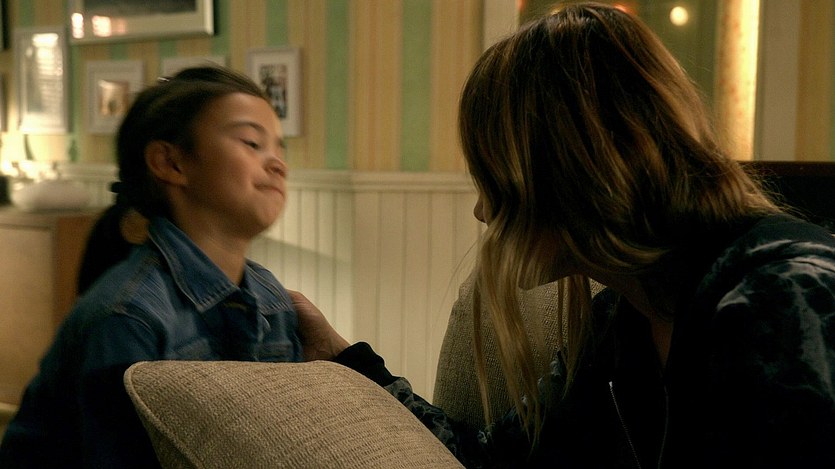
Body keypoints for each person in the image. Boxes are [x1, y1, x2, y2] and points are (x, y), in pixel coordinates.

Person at [290, 3, 835, 468]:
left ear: (568, 171)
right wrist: (344, 356)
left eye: (492, 180)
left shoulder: (783, 296)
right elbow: (493, 458)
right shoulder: (621, 325)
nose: (481, 212)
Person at [0, 66, 303, 468]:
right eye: (252, 142)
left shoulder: (272, 300)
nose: (278, 163)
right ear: (169, 162)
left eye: (279, 147)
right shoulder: (129, 317)